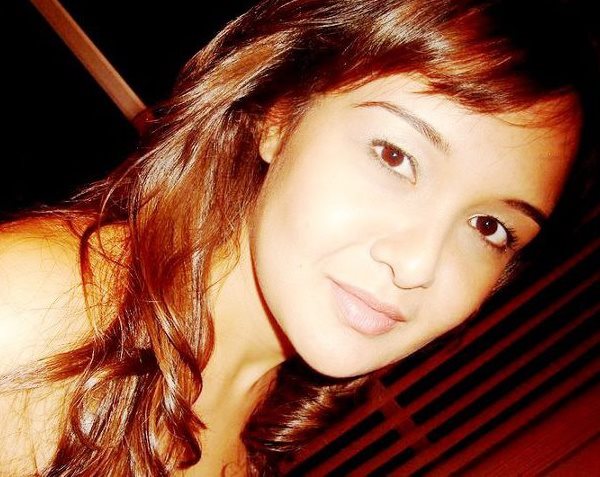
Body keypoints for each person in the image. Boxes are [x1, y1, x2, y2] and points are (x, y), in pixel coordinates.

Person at [0, 0, 597, 475]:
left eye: (489, 227)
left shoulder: (253, 442)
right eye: (394, 156)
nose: (418, 264)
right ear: (279, 117)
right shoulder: (33, 311)